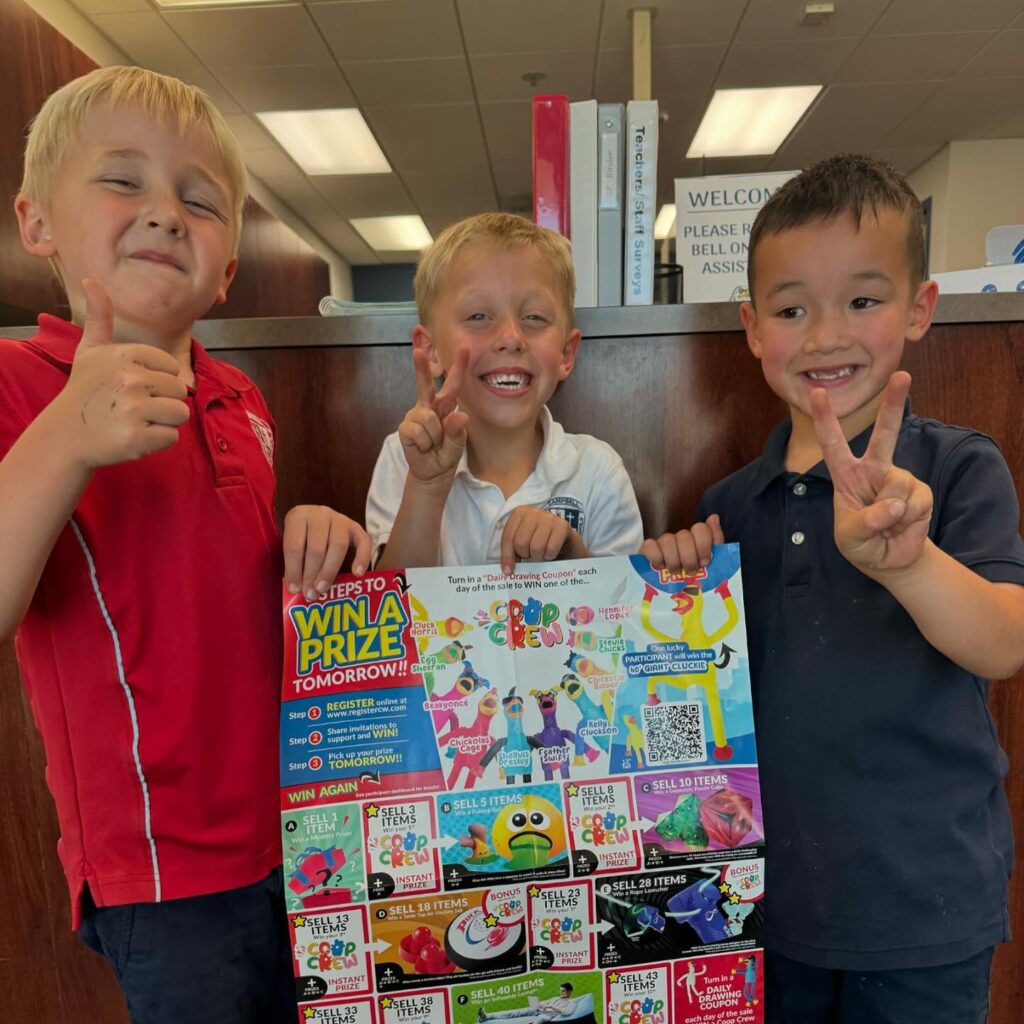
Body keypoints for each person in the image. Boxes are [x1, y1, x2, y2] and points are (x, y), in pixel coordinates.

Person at [1, 66, 370, 1023]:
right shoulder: (18, 381)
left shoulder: (238, 399)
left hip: (307, 837)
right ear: (37, 221)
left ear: (227, 270)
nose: (165, 214)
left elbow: (238, 588)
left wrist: (309, 533)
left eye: (198, 200)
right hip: (161, 875)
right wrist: (68, 436)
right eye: (122, 181)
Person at [642, 154, 1024, 1023]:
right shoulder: (729, 505)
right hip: (768, 909)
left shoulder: (960, 467)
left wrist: (910, 562)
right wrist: (670, 590)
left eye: (862, 299)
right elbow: (695, 709)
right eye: (790, 309)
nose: (823, 336)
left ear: (920, 307)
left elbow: (1006, 643)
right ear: (751, 326)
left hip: (927, 908)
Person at [366, 212, 642, 572]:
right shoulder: (403, 458)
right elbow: (392, 608)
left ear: (565, 353)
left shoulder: (598, 472)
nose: (511, 338)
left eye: (535, 318)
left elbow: (625, 616)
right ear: (431, 350)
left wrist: (573, 557)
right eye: (479, 316)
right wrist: (426, 486)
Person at [478, 982, 576, 1022]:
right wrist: (540, 1004)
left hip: (548, 1016)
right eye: (560, 990)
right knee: (514, 1012)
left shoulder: (571, 1003)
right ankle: (486, 1017)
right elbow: (545, 1003)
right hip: (539, 1010)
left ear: (569, 991)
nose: (561, 992)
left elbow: (567, 1012)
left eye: (563, 991)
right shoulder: (556, 998)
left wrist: (551, 1007)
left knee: (539, 1020)